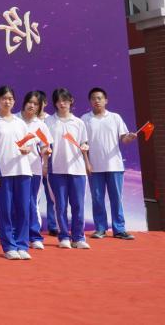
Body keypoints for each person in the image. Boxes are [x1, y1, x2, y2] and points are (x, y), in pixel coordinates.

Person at [0, 85, 34, 260]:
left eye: (10, 98)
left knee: (23, 209)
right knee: (5, 210)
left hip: (23, 171)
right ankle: (9, 246)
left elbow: (27, 143)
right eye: (4, 98)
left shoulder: (20, 122)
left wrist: (27, 149)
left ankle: (22, 244)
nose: (7, 101)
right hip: (3, 172)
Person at [82, 87, 138, 240]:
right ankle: (100, 229)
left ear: (106, 100)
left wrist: (130, 137)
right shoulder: (85, 119)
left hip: (115, 166)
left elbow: (124, 139)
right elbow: (83, 145)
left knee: (116, 198)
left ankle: (119, 229)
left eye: (99, 98)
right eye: (93, 98)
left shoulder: (115, 118)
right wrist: (87, 164)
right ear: (90, 101)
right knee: (97, 199)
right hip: (95, 167)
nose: (97, 101)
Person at [45, 88, 92, 250]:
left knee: (78, 204)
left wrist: (85, 148)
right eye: (58, 100)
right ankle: (64, 236)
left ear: (71, 101)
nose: (62, 103)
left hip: (77, 170)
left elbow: (84, 143)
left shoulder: (78, 123)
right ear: (55, 103)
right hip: (57, 169)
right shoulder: (48, 122)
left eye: (65, 100)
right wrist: (46, 151)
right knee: (60, 205)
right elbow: (44, 144)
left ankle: (78, 237)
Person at [20, 91, 53, 250]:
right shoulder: (14, 120)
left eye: (36, 104)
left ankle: (34, 236)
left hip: (33, 169)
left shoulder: (40, 125)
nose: (32, 106)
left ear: (40, 107)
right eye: (30, 102)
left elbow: (46, 145)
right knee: (17, 203)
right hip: (14, 170)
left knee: (32, 201)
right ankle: (19, 234)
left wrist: (45, 159)